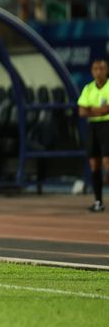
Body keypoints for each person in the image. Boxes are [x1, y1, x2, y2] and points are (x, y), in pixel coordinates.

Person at [77, 58, 109, 212]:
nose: (98, 72)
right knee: (94, 164)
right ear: (92, 71)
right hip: (93, 128)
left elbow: (107, 110)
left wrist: (92, 109)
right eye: (95, 69)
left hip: (107, 126)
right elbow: (82, 111)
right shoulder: (88, 88)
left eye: (101, 69)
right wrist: (100, 109)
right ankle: (98, 202)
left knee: (107, 163)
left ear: (106, 70)